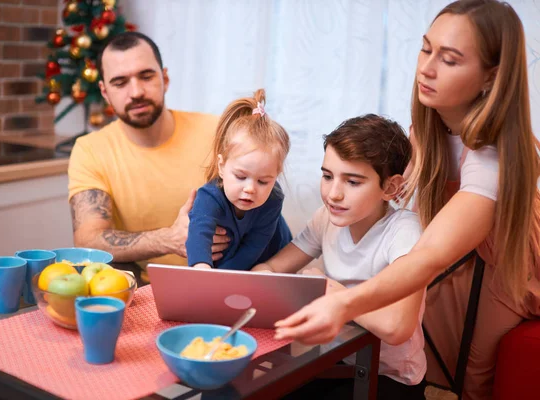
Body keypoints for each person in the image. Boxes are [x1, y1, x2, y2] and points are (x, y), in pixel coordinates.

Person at [274, 1, 540, 399]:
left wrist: (341, 300)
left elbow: (429, 254)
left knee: (472, 375)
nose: (426, 68)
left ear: (492, 77)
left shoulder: (494, 159)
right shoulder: (428, 127)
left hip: (503, 266)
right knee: (429, 359)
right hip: (453, 261)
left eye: (449, 59)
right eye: (425, 48)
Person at [254, 114, 426, 399]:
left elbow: (397, 327)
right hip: (337, 361)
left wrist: (333, 293)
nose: (333, 194)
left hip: (390, 378)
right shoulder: (326, 219)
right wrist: (262, 278)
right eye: (327, 176)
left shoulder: (404, 231)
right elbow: (273, 266)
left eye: (353, 182)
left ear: (390, 187)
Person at [68, 32, 229, 280]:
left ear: (164, 78)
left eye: (146, 76)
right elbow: (88, 240)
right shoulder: (90, 150)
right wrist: (168, 239)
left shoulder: (217, 131)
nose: (136, 92)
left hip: (225, 279)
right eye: (120, 82)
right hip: (145, 294)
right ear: (104, 91)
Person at [186, 89, 292, 270]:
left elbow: (254, 246)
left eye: (263, 181)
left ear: (276, 176)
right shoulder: (209, 197)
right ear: (221, 166)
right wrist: (202, 268)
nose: (250, 188)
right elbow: (199, 236)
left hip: (270, 259)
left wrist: (224, 277)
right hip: (232, 262)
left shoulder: (273, 199)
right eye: (241, 177)